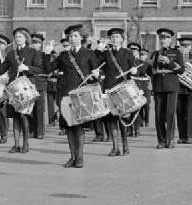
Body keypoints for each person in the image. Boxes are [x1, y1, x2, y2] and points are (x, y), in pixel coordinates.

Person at [42, 24, 100, 168]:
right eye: (70, 36)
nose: (72, 39)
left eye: (75, 36)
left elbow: (97, 73)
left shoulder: (89, 54)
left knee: (79, 127)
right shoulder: (63, 56)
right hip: (66, 96)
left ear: (81, 38)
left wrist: (97, 75)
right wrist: (46, 54)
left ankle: (80, 157)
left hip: (81, 96)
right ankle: (72, 157)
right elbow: (48, 69)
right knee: (69, 126)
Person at [0, 27, 42, 153]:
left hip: (27, 88)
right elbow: (1, 70)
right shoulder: (11, 54)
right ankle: (16, 144)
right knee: (15, 116)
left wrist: (27, 68)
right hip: (13, 89)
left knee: (23, 115)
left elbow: (39, 69)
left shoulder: (33, 52)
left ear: (26, 38)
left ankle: (25, 143)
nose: (17, 39)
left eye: (20, 37)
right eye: (16, 37)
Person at [100, 28, 139, 156]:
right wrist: (98, 49)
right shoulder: (106, 53)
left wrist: (134, 71)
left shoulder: (127, 53)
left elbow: (134, 67)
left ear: (122, 39)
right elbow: (97, 65)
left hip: (123, 89)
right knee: (111, 118)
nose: (114, 39)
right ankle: (115, 147)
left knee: (123, 118)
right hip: (109, 89)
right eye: (112, 37)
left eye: (117, 37)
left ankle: (125, 145)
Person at [149, 27, 184, 149]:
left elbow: (181, 70)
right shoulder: (155, 53)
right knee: (158, 115)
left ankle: (170, 139)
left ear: (170, 40)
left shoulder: (177, 53)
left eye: (166, 38)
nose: (163, 40)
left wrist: (169, 62)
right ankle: (161, 140)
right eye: (161, 38)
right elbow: (151, 71)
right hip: (158, 86)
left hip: (171, 85)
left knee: (169, 114)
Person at [28, 32, 48, 139]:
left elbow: (47, 69)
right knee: (30, 108)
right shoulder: (29, 54)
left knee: (39, 109)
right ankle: (32, 130)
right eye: (33, 42)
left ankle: (40, 131)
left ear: (41, 44)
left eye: (37, 43)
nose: (35, 45)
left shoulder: (44, 55)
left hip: (40, 83)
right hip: (30, 83)